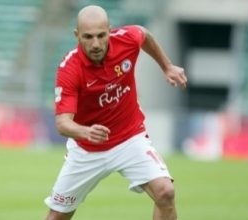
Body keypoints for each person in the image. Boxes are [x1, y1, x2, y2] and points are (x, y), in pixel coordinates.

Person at [44, 5, 187, 220]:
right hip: (87, 150)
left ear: (110, 31)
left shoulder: (126, 40)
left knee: (165, 192)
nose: (96, 44)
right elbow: (63, 123)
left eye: (101, 35)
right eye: (88, 37)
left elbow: (144, 34)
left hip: (130, 139)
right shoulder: (69, 69)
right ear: (77, 35)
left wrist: (167, 66)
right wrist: (85, 132)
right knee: (57, 216)